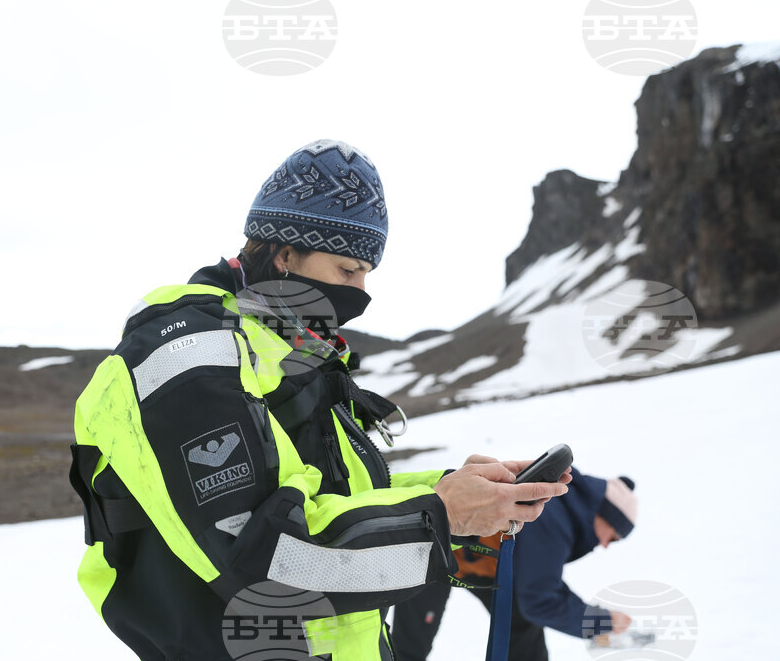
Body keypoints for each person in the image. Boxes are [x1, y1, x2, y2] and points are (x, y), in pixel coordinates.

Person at [69, 139, 570, 661]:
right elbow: (269, 558)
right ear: (285, 254)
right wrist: (442, 516)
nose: (359, 293)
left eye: (366, 275)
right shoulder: (191, 361)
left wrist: (451, 490)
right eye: (346, 271)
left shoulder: (285, 350)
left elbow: (329, 497)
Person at [391, 468, 638, 661]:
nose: (606, 544)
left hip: (485, 567)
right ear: (604, 515)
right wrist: (601, 621)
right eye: (613, 537)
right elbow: (541, 599)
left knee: (524, 638)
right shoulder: (553, 521)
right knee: (408, 650)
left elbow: (541, 583)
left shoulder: (562, 511)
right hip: (432, 554)